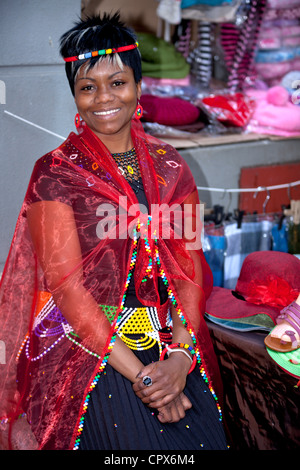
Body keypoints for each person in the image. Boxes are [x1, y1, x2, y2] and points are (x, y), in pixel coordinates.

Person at [0, 12, 227, 450]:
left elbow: (189, 268)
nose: (104, 97)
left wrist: (179, 360)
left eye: (117, 82)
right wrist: (145, 378)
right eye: (88, 87)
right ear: (75, 96)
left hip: (169, 337)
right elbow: (67, 290)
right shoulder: (54, 174)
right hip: (90, 345)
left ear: (139, 88)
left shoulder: (171, 168)